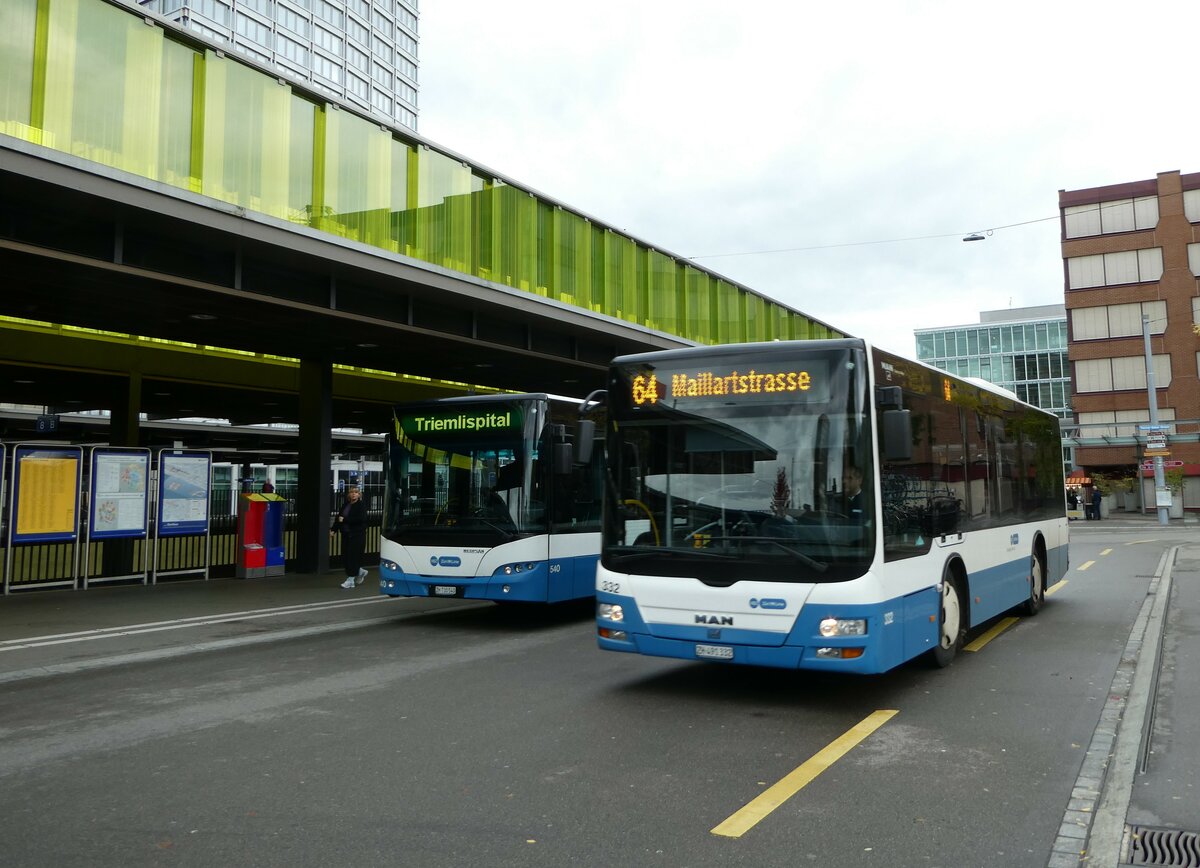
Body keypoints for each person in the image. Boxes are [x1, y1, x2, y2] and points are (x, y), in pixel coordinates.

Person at [331, 485, 368, 589]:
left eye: (356, 492)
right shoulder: (346, 505)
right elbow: (339, 518)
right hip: (346, 534)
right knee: (346, 557)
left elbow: (361, 519)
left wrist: (346, 520)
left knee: (352, 557)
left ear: (359, 494)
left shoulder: (361, 505)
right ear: (349, 494)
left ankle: (350, 580)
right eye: (352, 492)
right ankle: (360, 572)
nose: (354, 494)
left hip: (357, 535)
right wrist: (333, 530)